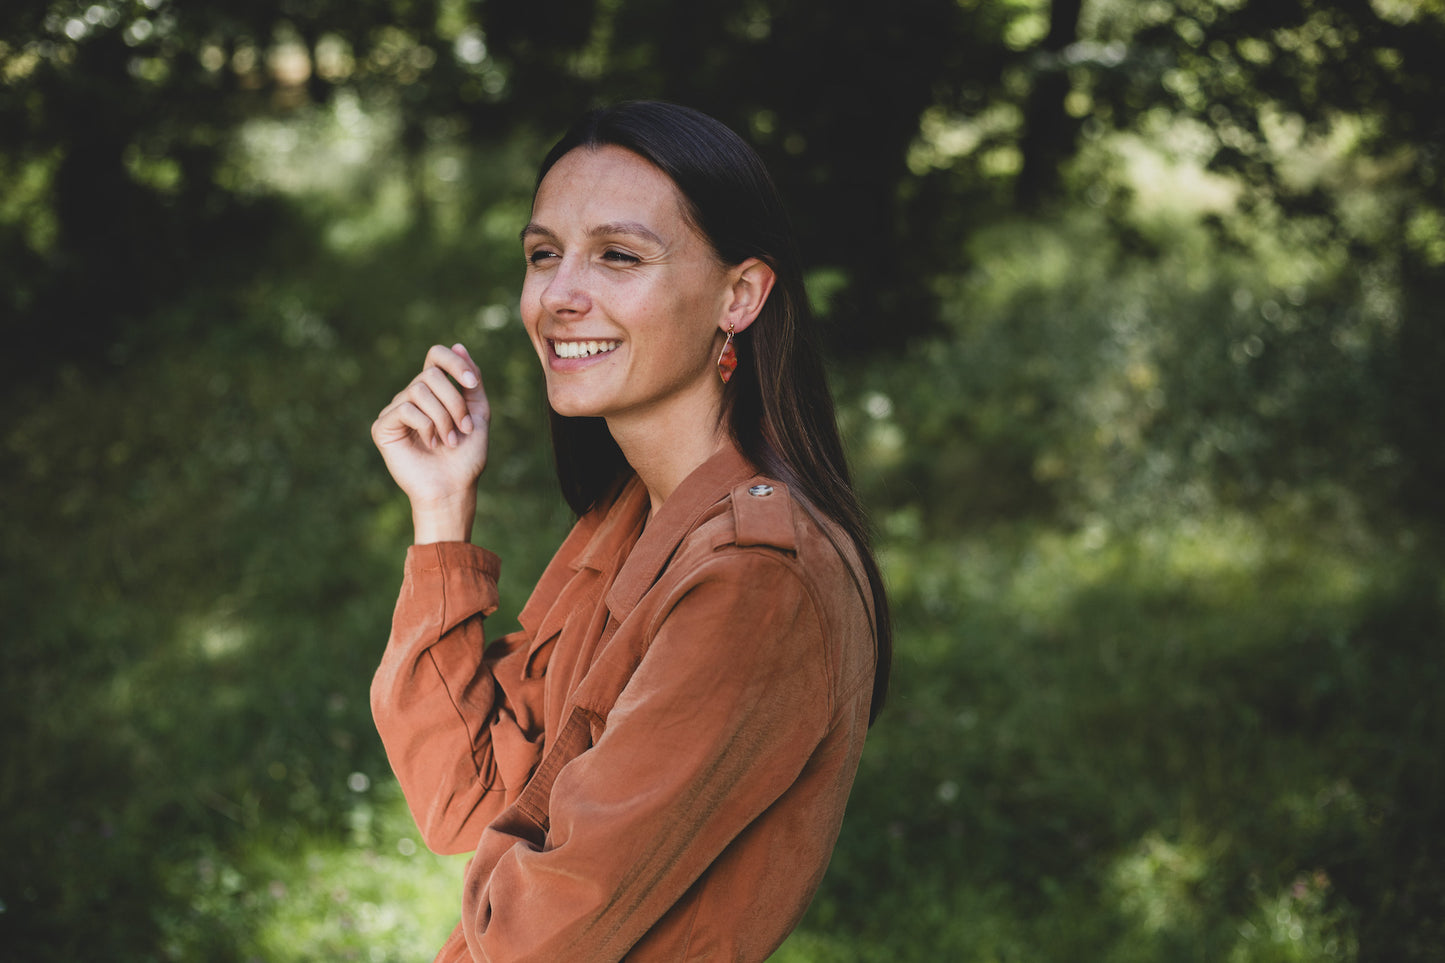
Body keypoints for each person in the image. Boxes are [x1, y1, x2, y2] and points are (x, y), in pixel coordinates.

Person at [369, 101, 892, 962]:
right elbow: (464, 798)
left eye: (618, 255)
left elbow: (539, 938)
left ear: (739, 295)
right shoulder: (633, 513)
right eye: (544, 255)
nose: (560, 296)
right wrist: (439, 512)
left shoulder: (757, 580)